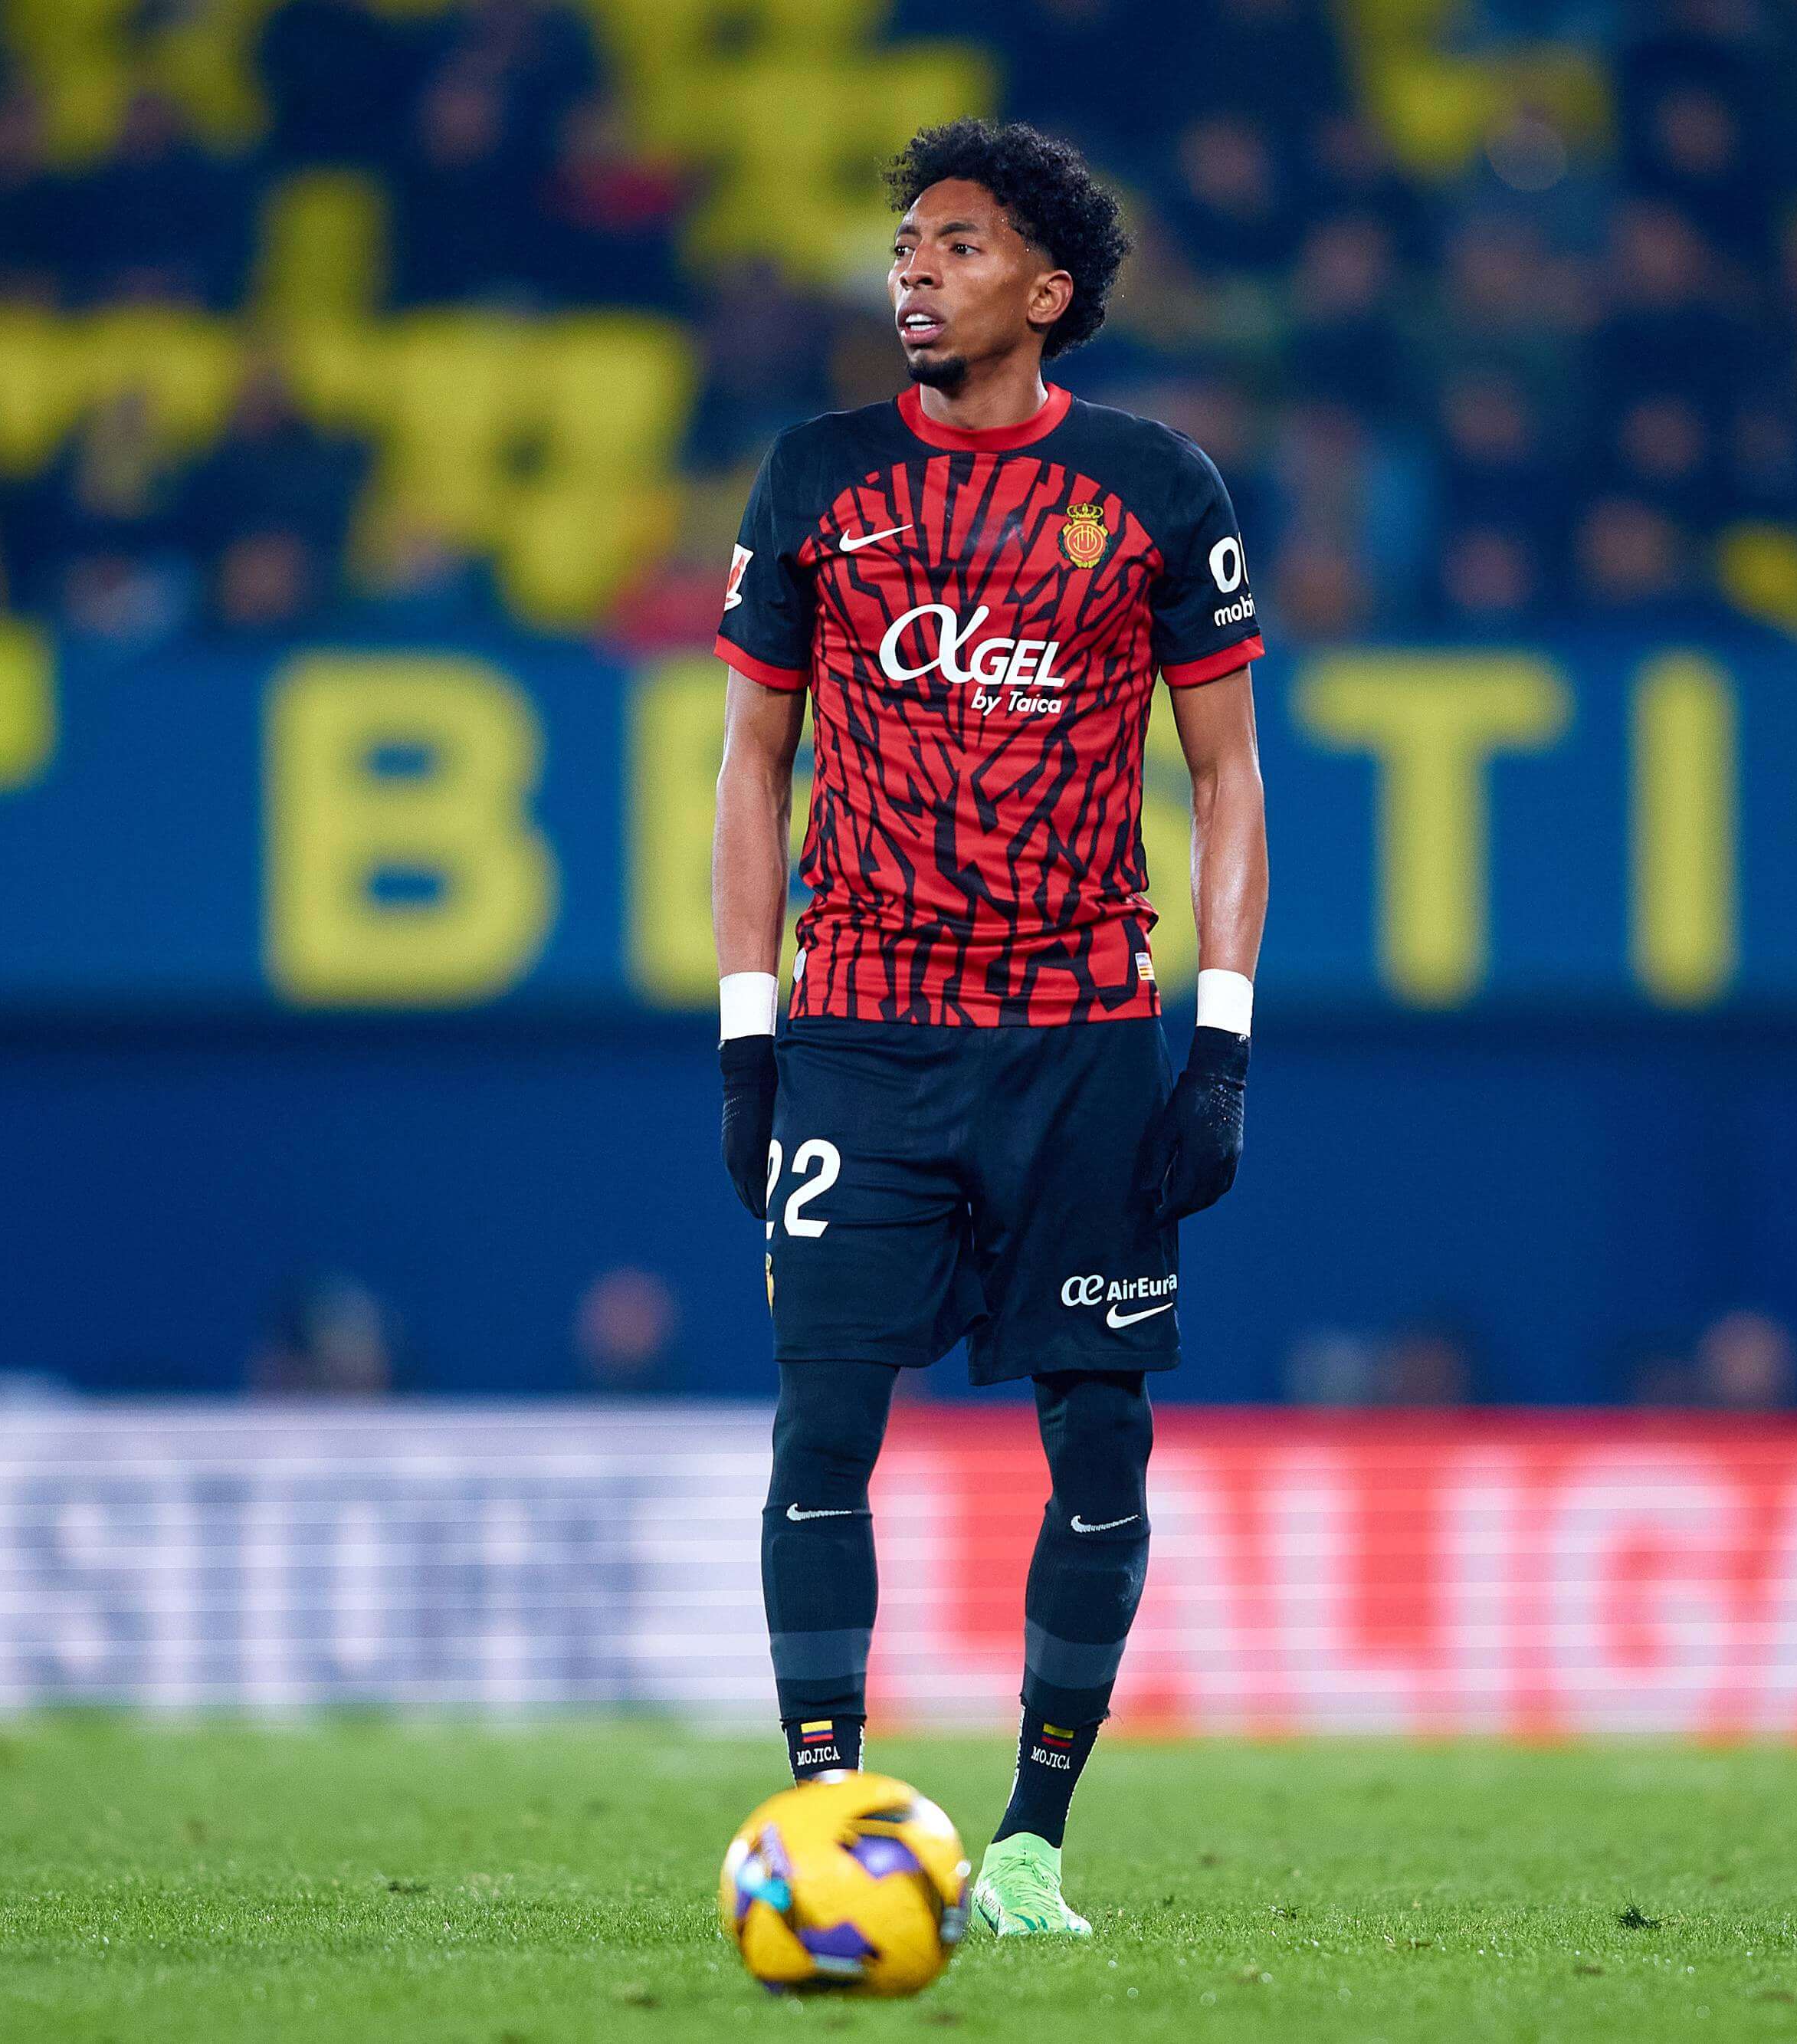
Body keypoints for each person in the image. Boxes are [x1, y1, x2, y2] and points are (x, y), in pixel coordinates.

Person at [709, 120, 1268, 1942]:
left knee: (1098, 1432)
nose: (912, 271)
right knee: (821, 1422)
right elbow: (750, 762)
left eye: (953, 245)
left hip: (1079, 1033)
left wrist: (1221, 1039)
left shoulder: (1152, 490)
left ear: (1045, 291)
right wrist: (744, 1034)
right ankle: (828, 1813)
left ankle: (1030, 1833)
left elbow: (1225, 777)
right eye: (902, 244)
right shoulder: (814, 478)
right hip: (861, 1030)